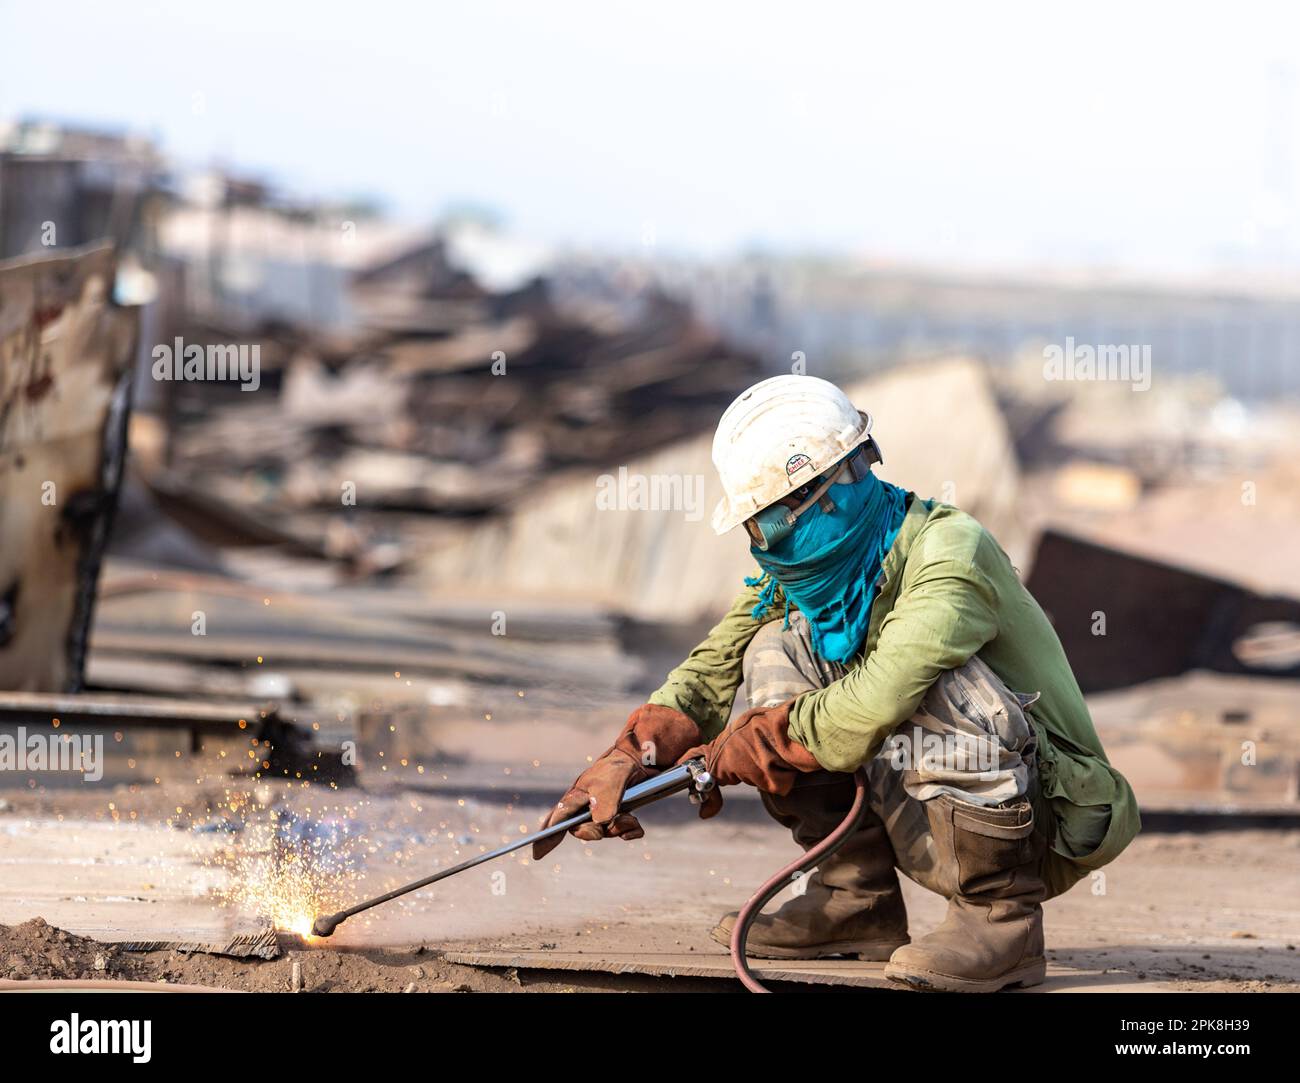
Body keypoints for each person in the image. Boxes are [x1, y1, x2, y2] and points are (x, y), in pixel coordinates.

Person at [535, 374, 1140, 992]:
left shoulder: (949, 553)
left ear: (827, 493)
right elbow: (713, 667)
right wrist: (631, 756)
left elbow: (878, 697)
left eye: (767, 526)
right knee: (774, 646)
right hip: (925, 805)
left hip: (1041, 821)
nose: (764, 547)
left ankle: (1001, 920)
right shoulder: (815, 579)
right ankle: (854, 900)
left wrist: (756, 744)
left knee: (938, 682)